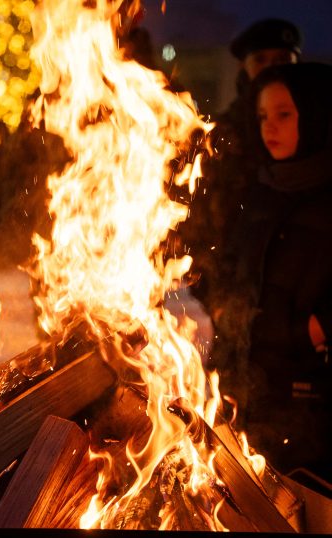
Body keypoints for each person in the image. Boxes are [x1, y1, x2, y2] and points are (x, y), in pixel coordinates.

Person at [176, 19, 303, 393]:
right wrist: (215, 296)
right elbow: (198, 222)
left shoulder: (318, 132)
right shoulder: (225, 137)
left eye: (283, 57)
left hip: (300, 312)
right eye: (261, 59)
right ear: (245, 67)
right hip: (236, 302)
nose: (274, 66)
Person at [226, 62, 332, 486]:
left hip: (315, 404)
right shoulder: (261, 191)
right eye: (263, 116)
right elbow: (232, 275)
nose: (270, 127)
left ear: (317, 113)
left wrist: (318, 327)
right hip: (252, 394)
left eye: (284, 114)